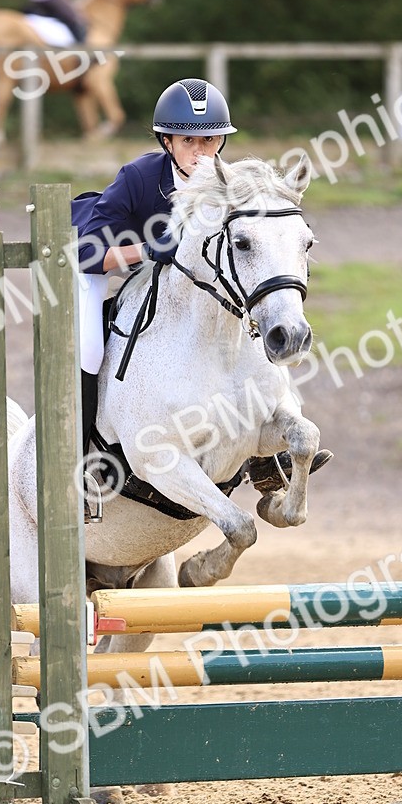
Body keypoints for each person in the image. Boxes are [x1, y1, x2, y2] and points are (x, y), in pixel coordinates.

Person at [72, 77, 331, 519]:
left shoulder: (232, 187)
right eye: (188, 140)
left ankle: (266, 457)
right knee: (92, 350)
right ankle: (82, 464)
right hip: (110, 259)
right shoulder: (140, 177)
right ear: (167, 141)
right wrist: (147, 250)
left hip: (188, 284)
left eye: (210, 140)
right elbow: (87, 252)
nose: (200, 152)